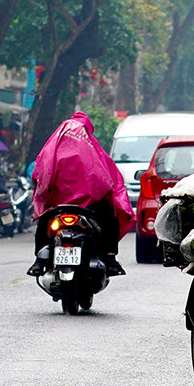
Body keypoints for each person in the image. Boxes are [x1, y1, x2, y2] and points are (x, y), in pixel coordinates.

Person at [27, 111, 134, 277]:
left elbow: (42, 168)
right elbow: (109, 178)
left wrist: (46, 192)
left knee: (44, 220)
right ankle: (111, 258)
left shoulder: (55, 141)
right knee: (109, 217)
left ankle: (39, 261)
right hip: (89, 205)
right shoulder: (92, 146)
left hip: (58, 203)